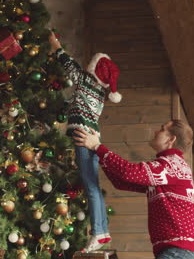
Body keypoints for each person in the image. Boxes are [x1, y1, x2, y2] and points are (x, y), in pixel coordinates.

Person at [73, 120, 194, 259]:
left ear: (171, 139)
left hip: (178, 250)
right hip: (178, 249)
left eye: (162, 129)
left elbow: (128, 172)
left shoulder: (171, 165)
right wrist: (98, 152)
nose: (156, 132)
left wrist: (98, 147)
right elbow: (122, 182)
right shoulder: (167, 168)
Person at [48, 32, 122, 252]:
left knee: (91, 186)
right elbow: (76, 103)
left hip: (83, 137)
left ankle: (98, 232)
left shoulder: (84, 80)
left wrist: (55, 45)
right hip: (91, 136)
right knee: (92, 185)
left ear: (93, 68)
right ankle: (103, 231)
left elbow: (67, 62)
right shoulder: (98, 91)